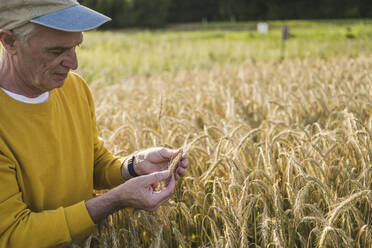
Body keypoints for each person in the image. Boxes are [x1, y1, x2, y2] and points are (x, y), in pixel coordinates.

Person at [0, 0, 188, 247]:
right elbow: (13, 234)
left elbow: (92, 163)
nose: (73, 63)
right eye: (57, 51)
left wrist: (132, 166)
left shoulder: (74, 88)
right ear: (9, 41)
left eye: (76, 47)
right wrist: (112, 201)